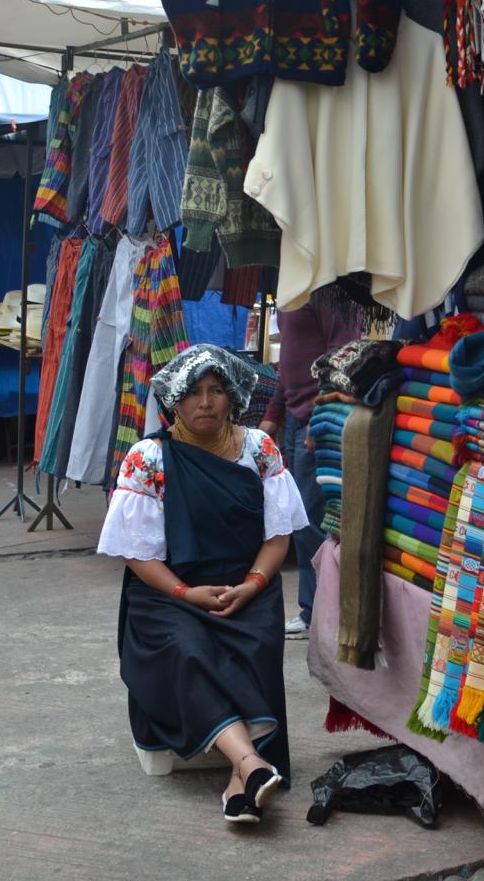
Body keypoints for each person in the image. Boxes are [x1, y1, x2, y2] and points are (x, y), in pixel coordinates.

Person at [97, 344, 310, 825]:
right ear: (174, 401)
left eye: (216, 391)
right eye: (193, 392)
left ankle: (242, 778)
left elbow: (278, 536)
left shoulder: (259, 449)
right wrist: (184, 593)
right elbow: (137, 552)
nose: (207, 402)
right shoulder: (147, 457)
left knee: (256, 646)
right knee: (188, 649)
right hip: (169, 593)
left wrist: (253, 585)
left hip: (246, 588)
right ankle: (253, 762)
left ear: (233, 396)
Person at [257, 300, 362, 639]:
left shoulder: (324, 292)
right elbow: (289, 365)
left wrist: (323, 416)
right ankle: (313, 609)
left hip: (314, 420)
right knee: (300, 521)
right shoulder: (289, 294)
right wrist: (272, 416)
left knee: (313, 522)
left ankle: (321, 611)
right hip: (294, 418)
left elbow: (342, 354)